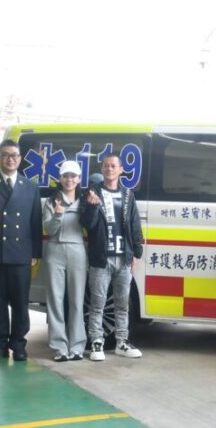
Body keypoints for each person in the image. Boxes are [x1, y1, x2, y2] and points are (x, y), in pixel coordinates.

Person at [0, 139, 42, 361]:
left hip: (21, 254)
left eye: (14, 155)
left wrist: (36, 253)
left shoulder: (30, 187)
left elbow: (35, 222)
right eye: (5, 155)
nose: (10, 159)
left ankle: (19, 344)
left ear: (20, 159)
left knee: (20, 303)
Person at [82, 154, 144, 361]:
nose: (109, 169)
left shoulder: (127, 195)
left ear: (120, 170)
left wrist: (137, 252)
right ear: (102, 169)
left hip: (123, 258)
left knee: (122, 304)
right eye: (106, 166)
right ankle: (96, 343)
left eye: (113, 166)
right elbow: (87, 224)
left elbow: (134, 223)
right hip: (101, 258)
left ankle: (122, 343)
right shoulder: (92, 193)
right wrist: (91, 207)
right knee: (97, 304)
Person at [40, 160, 87, 362]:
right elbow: (49, 229)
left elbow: (91, 224)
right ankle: (59, 347)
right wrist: (58, 215)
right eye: (66, 176)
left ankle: (77, 346)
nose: (69, 179)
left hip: (78, 250)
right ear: (60, 178)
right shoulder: (51, 201)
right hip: (55, 250)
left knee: (77, 300)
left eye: (73, 176)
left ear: (79, 179)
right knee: (55, 300)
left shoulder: (85, 201)